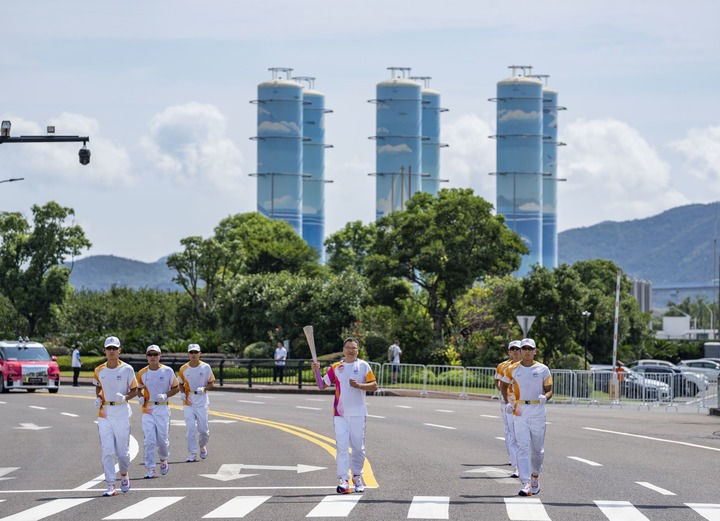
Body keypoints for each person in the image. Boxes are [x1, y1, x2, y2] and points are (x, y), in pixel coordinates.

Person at [311, 338, 377, 494]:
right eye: (348, 347)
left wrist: (359, 385)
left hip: (358, 414)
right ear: (343, 349)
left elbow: (374, 385)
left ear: (358, 350)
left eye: (354, 348)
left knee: (358, 448)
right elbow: (321, 385)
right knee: (341, 448)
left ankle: (357, 477)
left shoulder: (363, 366)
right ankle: (344, 480)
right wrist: (316, 371)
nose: (351, 350)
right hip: (340, 414)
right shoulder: (336, 367)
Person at [501, 338, 553, 497]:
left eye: (530, 349)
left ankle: (535, 477)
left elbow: (549, 390)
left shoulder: (543, 369)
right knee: (522, 446)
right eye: (524, 348)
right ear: (521, 351)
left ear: (535, 351)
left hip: (537, 409)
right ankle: (526, 482)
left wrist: (545, 397)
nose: (527, 351)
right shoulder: (512, 368)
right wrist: (508, 402)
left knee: (537, 449)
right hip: (520, 409)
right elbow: (503, 385)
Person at [93, 336, 138, 497]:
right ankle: (111, 484)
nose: (111, 351)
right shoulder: (99, 370)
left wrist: (125, 397)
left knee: (123, 452)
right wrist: (99, 397)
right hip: (105, 413)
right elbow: (99, 387)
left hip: (122, 413)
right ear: (104, 351)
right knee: (107, 450)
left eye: (114, 348)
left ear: (119, 350)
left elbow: (135, 390)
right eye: (109, 348)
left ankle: (124, 474)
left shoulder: (127, 369)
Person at [137, 345, 180, 479]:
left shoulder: (167, 371)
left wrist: (166, 395)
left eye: (155, 354)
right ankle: (150, 468)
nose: (153, 357)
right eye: (150, 355)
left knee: (162, 440)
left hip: (162, 408)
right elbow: (138, 388)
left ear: (160, 356)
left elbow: (176, 387)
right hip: (148, 409)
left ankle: (163, 459)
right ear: (147, 357)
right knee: (149, 440)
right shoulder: (142, 373)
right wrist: (140, 397)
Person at [178, 343, 215, 462]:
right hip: (188, 401)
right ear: (188, 354)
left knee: (203, 429)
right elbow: (180, 384)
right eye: (191, 352)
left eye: (195, 352)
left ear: (200, 354)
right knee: (190, 429)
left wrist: (204, 388)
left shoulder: (206, 367)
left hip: (202, 400)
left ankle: (202, 446)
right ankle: (192, 453)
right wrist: (182, 393)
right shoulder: (183, 368)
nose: (193, 354)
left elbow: (211, 383)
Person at [495, 340, 521, 478]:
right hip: (509, 404)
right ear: (509, 351)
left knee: (524, 436)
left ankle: (520, 461)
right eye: (513, 349)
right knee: (511, 434)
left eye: (518, 349)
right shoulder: (504, 366)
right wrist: (505, 398)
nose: (515, 351)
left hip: (524, 405)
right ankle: (516, 466)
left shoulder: (529, 367)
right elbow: (499, 382)